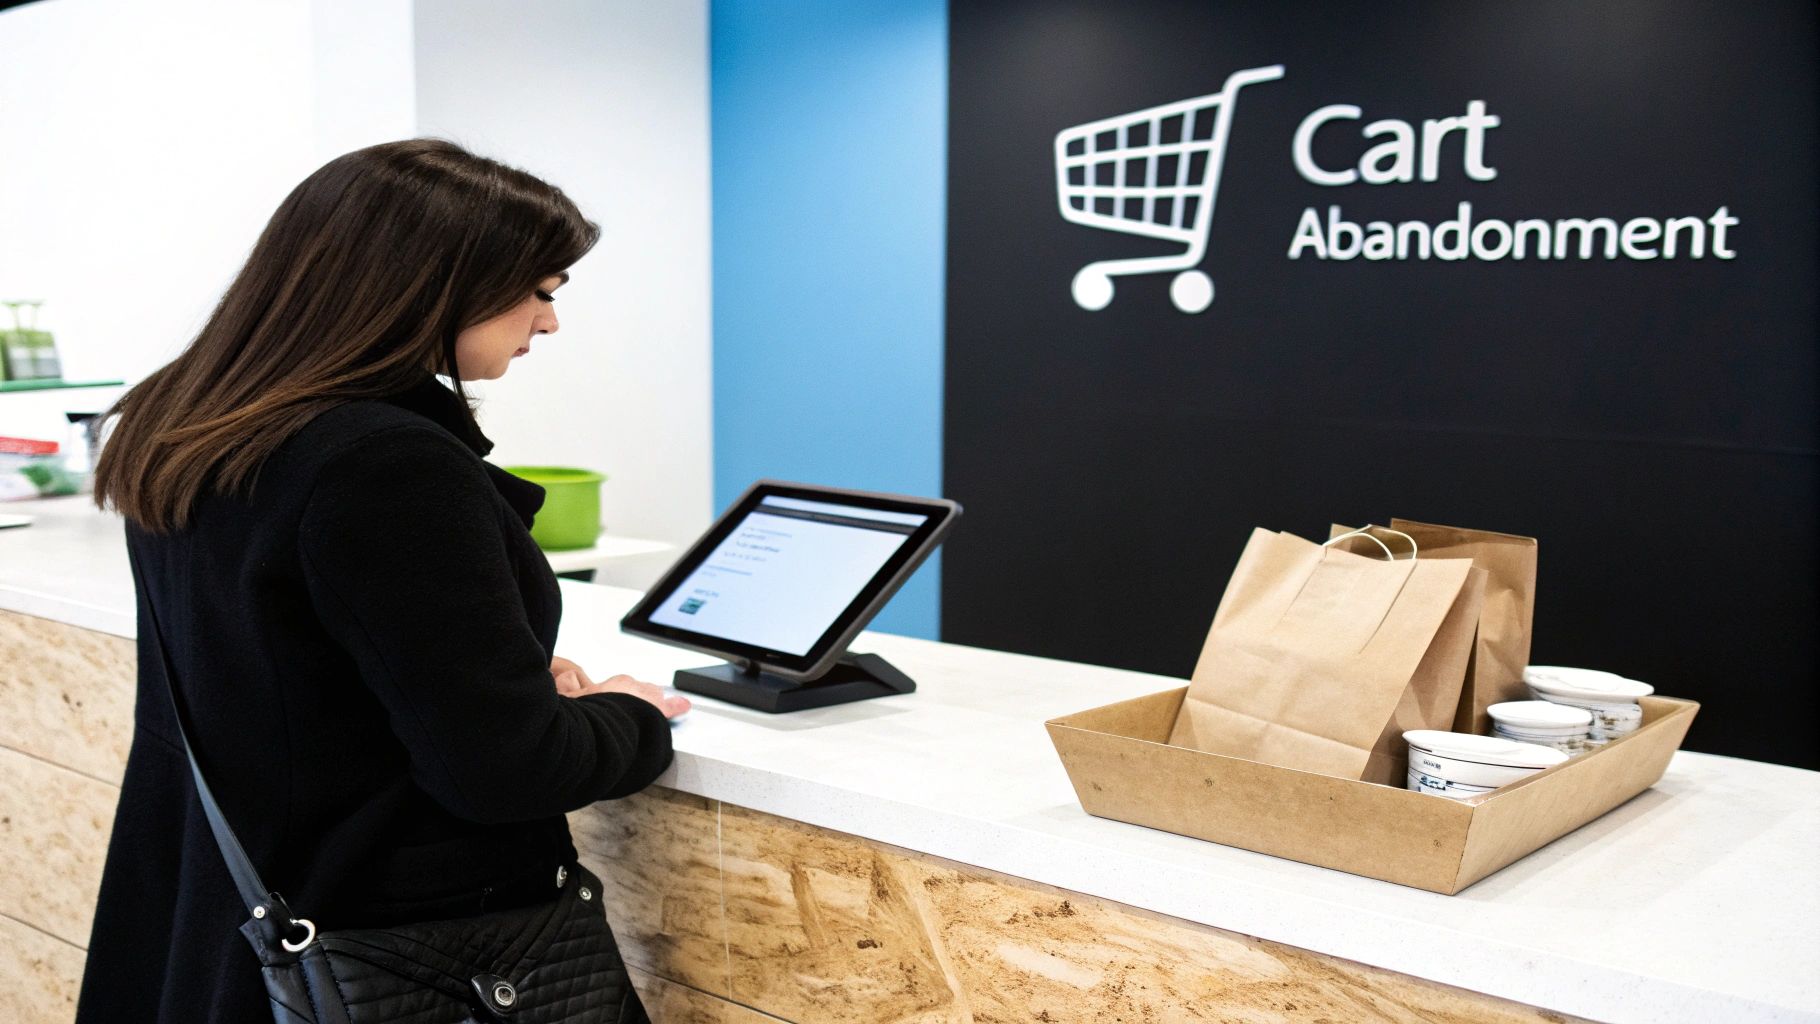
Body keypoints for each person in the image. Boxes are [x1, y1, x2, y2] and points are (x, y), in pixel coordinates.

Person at [77, 138, 688, 1022]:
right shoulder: (384, 464)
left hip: (227, 909)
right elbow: (504, 773)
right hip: (385, 942)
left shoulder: (190, 424)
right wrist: (628, 715)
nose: (548, 323)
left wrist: (493, 678)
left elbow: (290, 665)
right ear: (434, 284)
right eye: (542, 292)